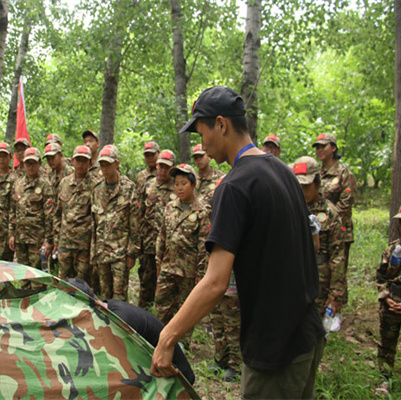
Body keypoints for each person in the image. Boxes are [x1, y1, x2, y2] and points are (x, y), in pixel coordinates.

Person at [150, 86, 325, 400]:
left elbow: (215, 282)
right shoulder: (282, 172)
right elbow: (311, 244)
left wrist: (167, 337)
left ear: (221, 124)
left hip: (274, 348)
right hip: (307, 334)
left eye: (201, 133)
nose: (202, 144)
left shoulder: (234, 186)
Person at [66, 278, 196, 385]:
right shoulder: (108, 308)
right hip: (156, 371)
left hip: (176, 381)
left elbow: (115, 369)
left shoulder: (118, 322)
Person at [154, 163, 209, 348]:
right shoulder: (170, 207)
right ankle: (159, 338)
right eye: (176, 183)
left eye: (183, 183)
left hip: (188, 270)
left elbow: (203, 245)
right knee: (161, 304)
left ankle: (182, 344)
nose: (179, 188)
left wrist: (200, 273)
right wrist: (158, 260)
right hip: (168, 266)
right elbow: (162, 235)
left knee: (185, 308)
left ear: (193, 185)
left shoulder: (201, 211)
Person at [293, 156, 346, 316]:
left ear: (317, 183)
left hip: (319, 284)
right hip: (293, 282)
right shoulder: (289, 208)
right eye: (298, 186)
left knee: (316, 326)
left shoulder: (329, 213)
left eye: (306, 186)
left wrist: (335, 294)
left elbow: (338, 256)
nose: (302, 191)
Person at [90, 145, 140, 301]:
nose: (104, 168)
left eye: (108, 164)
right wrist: (93, 253)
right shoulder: (97, 189)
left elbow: (135, 224)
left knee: (119, 297)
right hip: (102, 252)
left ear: (117, 164)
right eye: (102, 165)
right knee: (104, 296)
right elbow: (94, 224)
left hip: (120, 252)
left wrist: (132, 253)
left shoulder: (128, 188)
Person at [313, 132, 357, 304]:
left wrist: (327, 221)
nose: (319, 150)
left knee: (338, 268)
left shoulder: (344, 173)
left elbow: (345, 205)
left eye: (323, 146)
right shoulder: (316, 173)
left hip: (338, 230)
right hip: (317, 230)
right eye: (317, 147)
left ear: (333, 148)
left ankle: (337, 303)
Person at [376, 201, 401, 384]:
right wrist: (386, 297)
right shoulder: (392, 249)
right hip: (391, 304)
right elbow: (381, 276)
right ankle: (385, 380)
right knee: (387, 344)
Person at [9, 148, 54, 290]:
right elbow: (13, 210)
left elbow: (49, 215)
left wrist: (48, 240)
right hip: (21, 238)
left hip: (37, 240)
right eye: (27, 163)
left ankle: (37, 302)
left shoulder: (45, 185)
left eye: (33, 163)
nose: (30, 166)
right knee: (24, 276)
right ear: (23, 164)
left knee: (37, 277)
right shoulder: (18, 184)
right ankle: (25, 300)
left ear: (40, 164)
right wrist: (11, 233)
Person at [138, 149, 177, 310]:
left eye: (167, 167)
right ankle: (144, 312)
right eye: (161, 166)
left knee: (168, 283)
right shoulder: (148, 186)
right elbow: (139, 213)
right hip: (148, 243)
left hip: (169, 247)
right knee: (146, 281)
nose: (163, 170)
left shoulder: (177, 187)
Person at [54, 145, 97, 283]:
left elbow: (97, 218)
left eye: (84, 161)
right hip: (65, 242)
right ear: (72, 161)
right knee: (63, 281)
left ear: (90, 162)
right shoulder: (64, 183)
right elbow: (57, 213)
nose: (81, 164)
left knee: (81, 283)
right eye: (78, 160)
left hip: (84, 244)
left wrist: (94, 247)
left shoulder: (95, 185)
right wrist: (56, 239)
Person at [44, 142, 74, 274]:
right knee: (52, 267)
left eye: (53, 157)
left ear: (60, 155)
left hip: (69, 228)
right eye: (48, 158)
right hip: (52, 225)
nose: (50, 161)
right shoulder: (49, 175)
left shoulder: (71, 173)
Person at [191, 143, 225, 211]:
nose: (198, 160)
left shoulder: (220, 177)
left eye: (201, 156)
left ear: (209, 156)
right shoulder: (192, 180)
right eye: (196, 158)